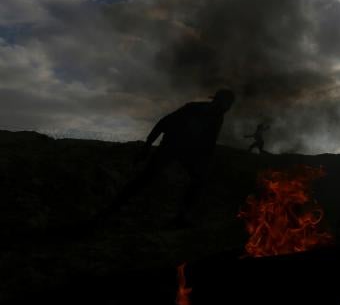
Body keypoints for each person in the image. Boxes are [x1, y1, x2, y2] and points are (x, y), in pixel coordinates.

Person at [95, 89, 236, 228]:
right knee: (146, 178)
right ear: (219, 101)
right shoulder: (193, 108)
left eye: (230, 104)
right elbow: (164, 123)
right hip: (170, 147)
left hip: (187, 152)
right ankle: (112, 209)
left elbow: (209, 141)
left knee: (198, 180)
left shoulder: (217, 117)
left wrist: (206, 160)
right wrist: (147, 146)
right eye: (227, 103)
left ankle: (181, 216)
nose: (228, 107)